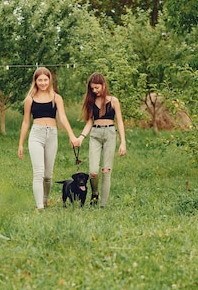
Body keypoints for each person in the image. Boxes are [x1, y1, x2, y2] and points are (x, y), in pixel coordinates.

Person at [18, 67, 78, 210]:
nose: (43, 83)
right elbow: (26, 121)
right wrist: (21, 144)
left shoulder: (56, 97)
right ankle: (40, 207)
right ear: (35, 81)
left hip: (52, 134)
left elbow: (62, 117)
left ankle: (45, 200)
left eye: (45, 80)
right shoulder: (29, 99)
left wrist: (71, 135)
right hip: (36, 135)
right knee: (38, 172)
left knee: (48, 175)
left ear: (50, 80)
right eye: (40, 80)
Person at [74, 72, 126, 207]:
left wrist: (123, 142)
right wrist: (81, 137)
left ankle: (103, 205)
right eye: (92, 88)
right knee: (93, 172)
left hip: (110, 134)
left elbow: (119, 122)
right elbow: (89, 122)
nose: (94, 91)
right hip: (95, 134)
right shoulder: (92, 102)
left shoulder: (113, 101)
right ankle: (95, 193)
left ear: (103, 85)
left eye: (97, 87)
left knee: (106, 170)